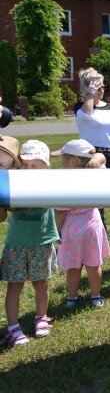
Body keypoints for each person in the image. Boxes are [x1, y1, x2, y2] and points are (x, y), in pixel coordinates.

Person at [1, 139, 59, 346]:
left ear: (45, 168)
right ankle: (12, 327)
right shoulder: (12, 184)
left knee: (41, 283)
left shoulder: (51, 185)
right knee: (14, 286)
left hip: (41, 243)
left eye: (35, 165)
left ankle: (41, 318)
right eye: (24, 165)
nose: (29, 169)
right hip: (17, 244)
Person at [52, 139, 110, 310]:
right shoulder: (97, 174)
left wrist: (57, 232)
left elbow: (60, 211)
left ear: (73, 161)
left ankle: (72, 298)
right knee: (94, 264)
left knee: (73, 266)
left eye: (63, 160)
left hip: (71, 228)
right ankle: (96, 297)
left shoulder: (65, 183)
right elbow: (101, 158)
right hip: (92, 225)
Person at [74, 67, 110, 236]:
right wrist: (90, 94)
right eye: (98, 87)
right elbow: (87, 115)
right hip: (94, 155)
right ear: (87, 88)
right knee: (97, 194)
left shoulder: (108, 107)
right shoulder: (81, 107)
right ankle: (101, 230)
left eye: (103, 87)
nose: (102, 90)